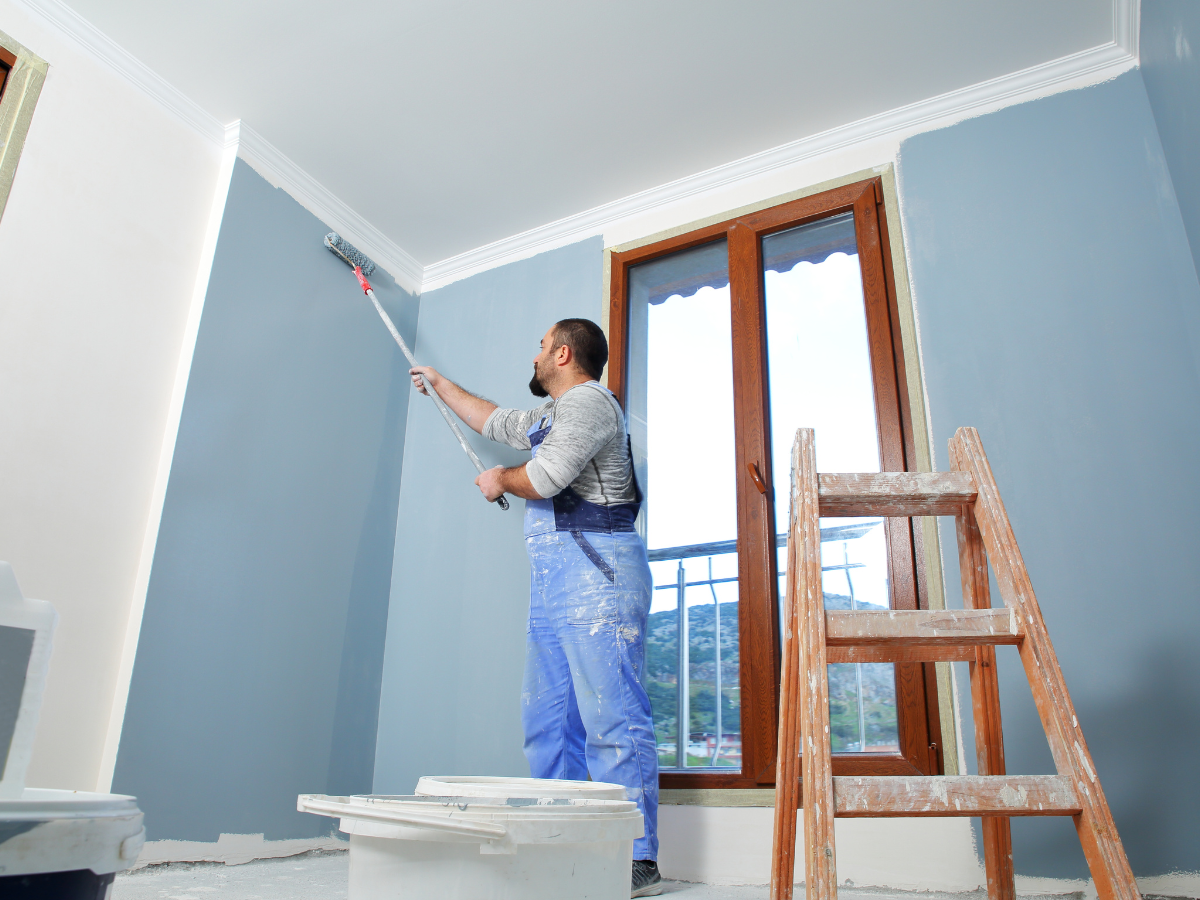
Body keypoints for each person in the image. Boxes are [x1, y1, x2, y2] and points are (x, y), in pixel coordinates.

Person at [409, 318, 661, 897]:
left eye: (541, 347)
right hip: (555, 581)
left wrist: (499, 478)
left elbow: (546, 478)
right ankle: (563, 844)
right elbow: (494, 419)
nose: (535, 354)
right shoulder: (551, 417)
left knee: (612, 716)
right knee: (548, 722)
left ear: (563, 353)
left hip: (599, 573)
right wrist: (442, 385)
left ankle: (634, 855)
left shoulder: (591, 403)